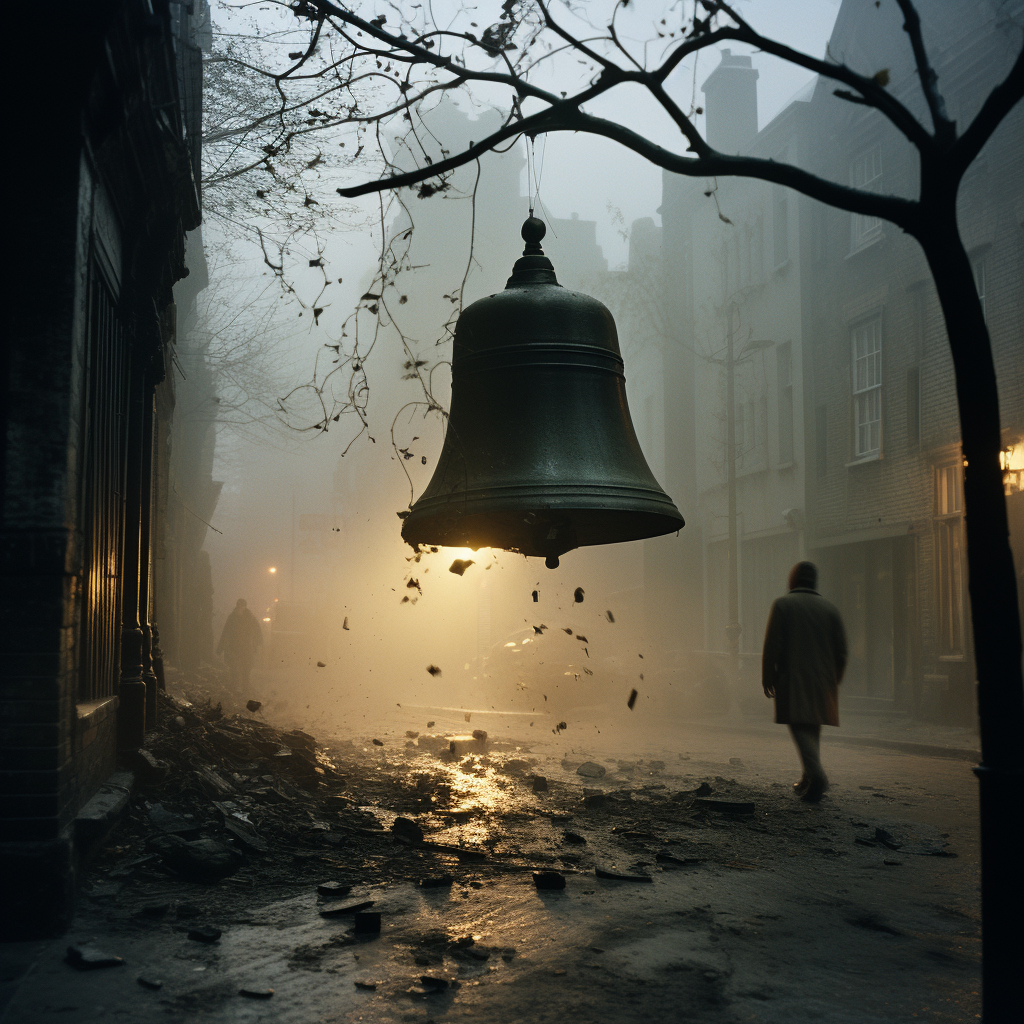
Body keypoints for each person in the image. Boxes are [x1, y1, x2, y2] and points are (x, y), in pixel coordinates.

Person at [761, 561, 848, 803]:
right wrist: (835, 679)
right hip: (823, 680)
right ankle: (807, 777)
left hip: (793, 677)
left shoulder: (783, 605)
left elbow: (773, 645)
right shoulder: (830, 609)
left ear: (793, 581)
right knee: (813, 727)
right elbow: (841, 651)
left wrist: (768, 675)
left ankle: (817, 777)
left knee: (800, 726)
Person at [217, 598, 263, 689]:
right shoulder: (232, 618)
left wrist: (258, 644)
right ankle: (235, 686)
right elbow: (225, 632)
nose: (240, 608)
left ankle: (245, 686)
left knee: (246, 667)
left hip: (247, 647)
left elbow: (258, 631)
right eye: (239, 606)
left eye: (241, 606)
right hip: (234, 647)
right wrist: (220, 648)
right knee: (233, 667)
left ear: (245, 607)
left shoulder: (250, 618)